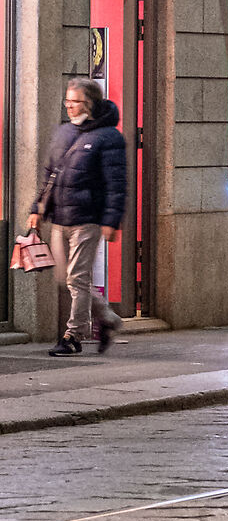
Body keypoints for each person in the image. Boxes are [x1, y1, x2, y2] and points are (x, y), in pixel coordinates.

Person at [26, 77, 127, 357]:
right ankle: (107, 319)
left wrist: (110, 220)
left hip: (88, 218)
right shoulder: (63, 133)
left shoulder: (109, 137)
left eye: (75, 101)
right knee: (66, 278)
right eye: (67, 101)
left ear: (90, 103)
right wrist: (37, 209)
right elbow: (49, 176)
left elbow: (116, 183)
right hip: (60, 218)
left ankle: (74, 335)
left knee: (76, 278)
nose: (69, 106)